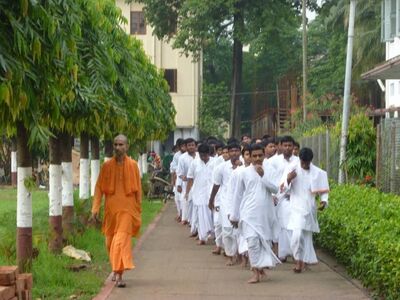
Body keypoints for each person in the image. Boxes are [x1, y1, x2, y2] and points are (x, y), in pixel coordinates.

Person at [91, 134, 141, 288]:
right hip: (111, 211)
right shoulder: (106, 166)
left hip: (127, 210)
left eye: (121, 145)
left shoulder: (133, 165)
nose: (118, 147)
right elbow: (99, 188)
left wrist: (138, 210)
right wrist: (95, 209)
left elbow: (138, 188)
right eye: (115, 144)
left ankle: (119, 274)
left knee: (121, 241)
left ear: (127, 146)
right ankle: (115, 267)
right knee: (110, 243)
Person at [230, 143, 281, 283]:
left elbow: (276, 189)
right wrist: (234, 215)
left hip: (265, 215)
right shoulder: (243, 173)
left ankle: (261, 269)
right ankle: (255, 273)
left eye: (260, 155)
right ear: (249, 157)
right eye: (254, 156)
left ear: (264, 155)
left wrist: (263, 176)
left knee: (263, 243)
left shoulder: (270, 170)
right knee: (252, 243)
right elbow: (238, 195)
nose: (258, 158)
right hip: (248, 214)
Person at [281, 147, 329, 273]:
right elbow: (282, 188)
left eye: (307, 163)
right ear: (300, 159)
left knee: (306, 237)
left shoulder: (317, 173)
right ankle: (298, 261)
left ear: (310, 161)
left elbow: (323, 190)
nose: (304, 165)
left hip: (310, 208)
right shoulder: (292, 168)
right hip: (296, 207)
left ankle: (303, 261)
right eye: (302, 162)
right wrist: (288, 179)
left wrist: (324, 201)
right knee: (297, 235)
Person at [209, 143, 242, 265]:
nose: (234, 153)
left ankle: (240, 254)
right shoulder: (221, 168)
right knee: (227, 230)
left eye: (236, 150)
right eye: (231, 151)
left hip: (240, 201)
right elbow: (216, 185)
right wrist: (211, 200)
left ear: (240, 152)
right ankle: (229, 255)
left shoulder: (244, 166)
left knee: (239, 230)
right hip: (225, 201)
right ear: (227, 152)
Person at [267, 135, 299, 261]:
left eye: (289, 145)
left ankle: (293, 253)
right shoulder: (273, 161)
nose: (287, 148)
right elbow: (268, 180)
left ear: (293, 147)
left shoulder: (298, 161)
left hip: (293, 197)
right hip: (277, 198)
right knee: (279, 226)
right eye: (284, 145)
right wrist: (271, 196)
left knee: (291, 226)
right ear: (280, 146)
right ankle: (282, 252)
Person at [185, 144, 215, 245]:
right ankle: (202, 237)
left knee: (212, 215)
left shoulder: (215, 163)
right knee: (201, 215)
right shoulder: (195, 163)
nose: (203, 158)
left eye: (205, 155)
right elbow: (190, 178)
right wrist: (187, 192)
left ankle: (213, 233)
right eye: (201, 155)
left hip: (212, 193)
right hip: (199, 193)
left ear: (208, 154)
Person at [177, 138, 197, 227]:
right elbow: (179, 172)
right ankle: (187, 219)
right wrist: (184, 177)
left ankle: (193, 222)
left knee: (196, 203)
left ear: (195, 146)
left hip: (198, 184)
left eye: (193, 145)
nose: (191, 147)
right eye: (189, 145)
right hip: (187, 184)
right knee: (187, 202)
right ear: (186, 147)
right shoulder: (182, 158)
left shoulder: (199, 156)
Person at [170, 139, 186, 222]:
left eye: (184, 145)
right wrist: (173, 181)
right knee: (177, 198)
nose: (184, 147)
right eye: (182, 146)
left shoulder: (190, 155)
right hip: (178, 178)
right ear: (179, 147)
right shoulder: (177, 155)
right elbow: (173, 169)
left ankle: (184, 216)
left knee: (184, 199)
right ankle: (180, 214)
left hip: (187, 180)